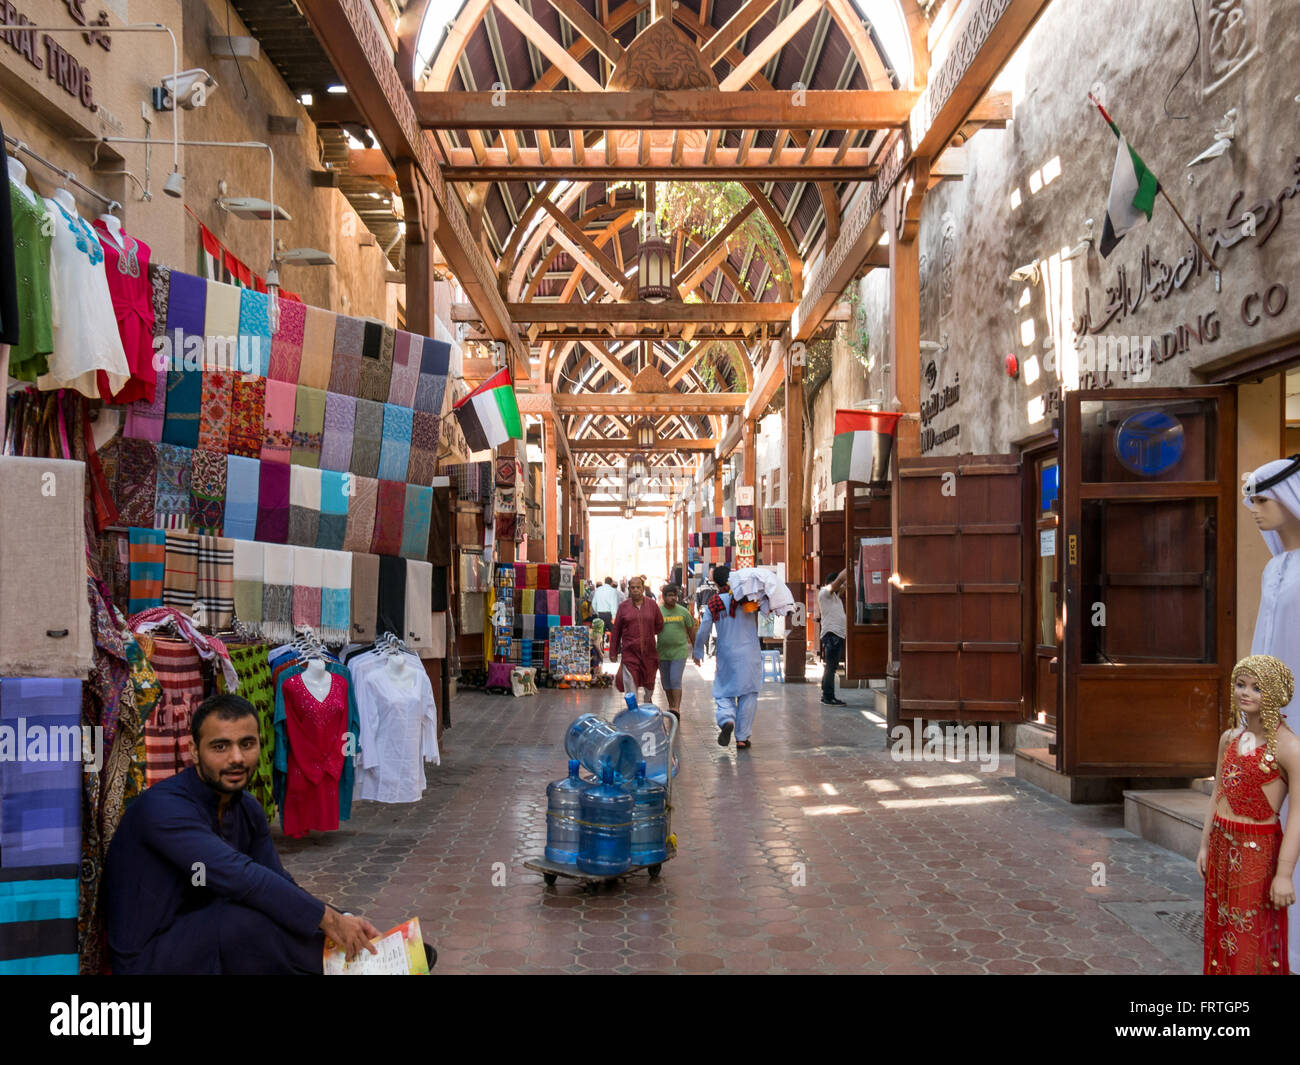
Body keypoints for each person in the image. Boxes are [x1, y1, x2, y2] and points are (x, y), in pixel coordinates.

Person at [105, 693, 428, 974]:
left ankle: (353, 957)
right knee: (242, 919)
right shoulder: (163, 809)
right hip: (150, 957)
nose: (236, 758)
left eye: (247, 744)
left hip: (206, 933)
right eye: (220, 746)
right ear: (193, 750)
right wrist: (330, 921)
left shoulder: (245, 806)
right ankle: (353, 967)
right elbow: (240, 876)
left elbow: (276, 879)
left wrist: (343, 921)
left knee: (273, 908)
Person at [1197, 655, 1300, 975]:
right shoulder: (1229, 739)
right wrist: (1203, 845)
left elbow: (1297, 812)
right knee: (1219, 932)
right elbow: (1218, 793)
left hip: (1257, 851)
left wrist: (1284, 873)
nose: (1246, 693)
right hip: (1219, 847)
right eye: (1241, 684)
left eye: (1257, 688)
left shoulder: (1289, 747)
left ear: (1275, 692)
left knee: (1249, 937)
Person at [693, 564, 762, 750]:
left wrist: (698, 651)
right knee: (748, 694)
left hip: (727, 653)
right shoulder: (746, 599)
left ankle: (727, 719)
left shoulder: (714, 603)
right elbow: (761, 609)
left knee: (724, 691)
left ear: (715, 582)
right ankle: (742, 738)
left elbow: (704, 630)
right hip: (750, 653)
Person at [610, 575, 663, 703]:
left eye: (638, 587)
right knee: (630, 688)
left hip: (649, 653)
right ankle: (633, 714)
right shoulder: (623, 607)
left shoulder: (652, 605)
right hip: (630, 654)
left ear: (643, 588)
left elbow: (659, 625)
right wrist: (613, 652)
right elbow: (616, 630)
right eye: (632, 587)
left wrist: (647, 635)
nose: (635, 590)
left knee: (649, 685)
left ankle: (647, 705)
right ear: (628, 589)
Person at [656, 583, 697, 719]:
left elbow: (691, 630)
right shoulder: (658, 612)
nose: (673, 598)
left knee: (675, 680)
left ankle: (676, 709)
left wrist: (696, 650)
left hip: (679, 652)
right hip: (662, 653)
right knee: (666, 682)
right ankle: (671, 705)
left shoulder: (683, 612)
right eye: (670, 595)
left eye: (675, 595)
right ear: (664, 597)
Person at [817, 568, 849, 705]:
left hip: (836, 634)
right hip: (832, 635)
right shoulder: (825, 592)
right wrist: (848, 567)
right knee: (831, 666)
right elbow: (840, 581)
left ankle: (827, 694)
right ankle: (828, 696)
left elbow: (844, 585)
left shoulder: (834, 596)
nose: (840, 587)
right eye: (837, 584)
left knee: (830, 666)